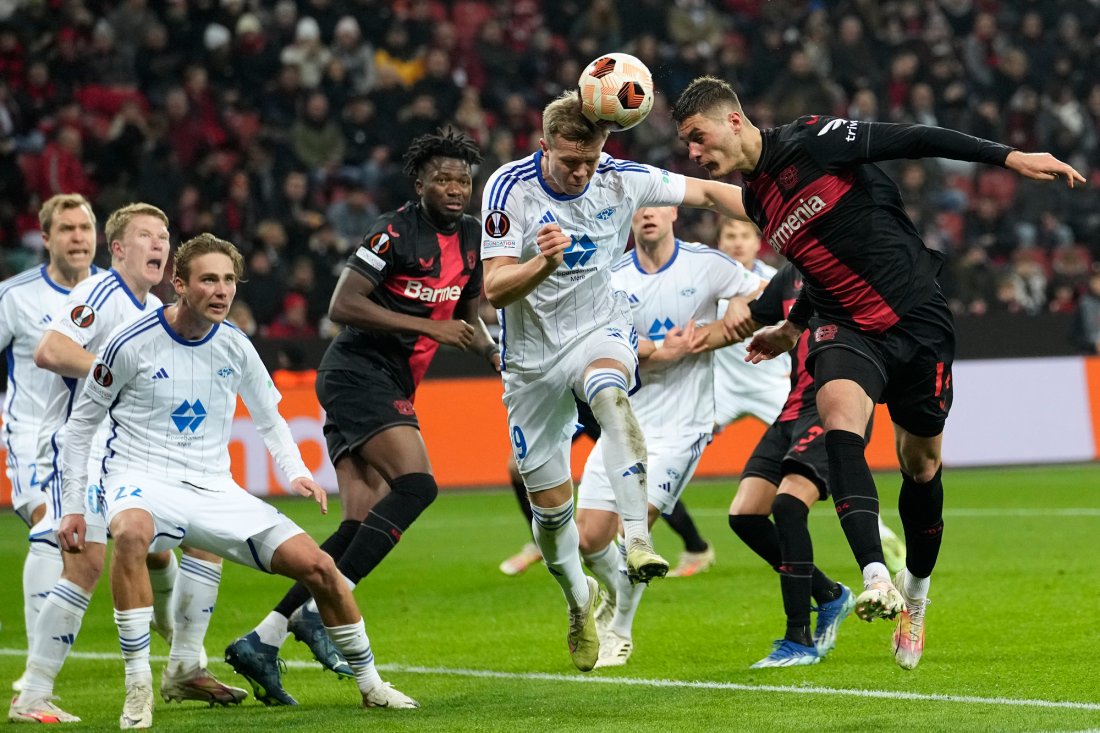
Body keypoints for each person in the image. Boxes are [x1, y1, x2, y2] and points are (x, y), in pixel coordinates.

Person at [672, 76, 1084, 669]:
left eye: (697, 137)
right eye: (687, 144)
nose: (693, 151)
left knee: (922, 466)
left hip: (917, 319)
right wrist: (794, 328)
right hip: (847, 329)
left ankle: (914, 593)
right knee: (839, 416)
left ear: (733, 121)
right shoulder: (760, 200)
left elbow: (913, 137)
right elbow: (818, 269)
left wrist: (1009, 155)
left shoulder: (814, 140)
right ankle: (874, 576)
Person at [56, 233, 418, 729]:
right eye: (209, 279)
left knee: (319, 567)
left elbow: (270, 416)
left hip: (214, 488)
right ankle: (138, 686)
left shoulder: (236, 346)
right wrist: (75, 505)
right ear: (179, 284)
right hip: (140, 477)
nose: (222, 290)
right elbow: (80, 427)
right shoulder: (129, 343)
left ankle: (372, 686)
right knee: (134, 534)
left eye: (229, 279)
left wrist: (296, 472)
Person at [480, 91, 755, 671]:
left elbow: (707, 191)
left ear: (605, 145)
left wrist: (781, 205)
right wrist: (541, 264)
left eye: (590, 159)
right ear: (544, 146)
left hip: (597, 331)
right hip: (530, 362)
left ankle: (638, 538)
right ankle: (580, 599)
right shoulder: (508, 189)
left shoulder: (621, 178)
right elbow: (495, 288)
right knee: (555, 518)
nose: (580, 172)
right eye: (568, 161)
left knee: (610, 393)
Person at [226, 129, 497, 704]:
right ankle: (331, 606)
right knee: (418, 485)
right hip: (355, 372)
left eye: (464, 181)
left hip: (393, 382)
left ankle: (264, 638)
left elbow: (470, 319)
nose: (455, 189)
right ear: (419, 182)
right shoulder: (393, 230)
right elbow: (341, 305)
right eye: (444, 179)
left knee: (358, 523)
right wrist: (431, 327)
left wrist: (501, 353)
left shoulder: (473, 237)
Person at [9, 204, 243, 725]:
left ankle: (185, 663)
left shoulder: (147, 307)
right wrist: (114, 370)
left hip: (126, 452)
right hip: (81, 447)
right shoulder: (101, 293)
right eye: (145, 236)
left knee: (195, 536)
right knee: (86, 563)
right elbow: (50, 349)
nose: (159, 244)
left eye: (164, 236)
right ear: (117, 249)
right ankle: (33, 695)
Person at [575, 205, 763, 668]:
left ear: (673, 211)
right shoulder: (611, 275)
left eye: (655, 205)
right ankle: (610, 594)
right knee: (588, 540)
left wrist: (740, 303)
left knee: (631, 535)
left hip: (683, 427)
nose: (648, 215)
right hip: (624, 422)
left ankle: (619, 631)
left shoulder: (707, 263)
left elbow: (765, 294)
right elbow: (593, 339)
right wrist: (657, 350)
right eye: (638, 209)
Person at [713, 217, 907, 576]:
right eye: (729, 235)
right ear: (720, 242)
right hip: (726, 386)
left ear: (758, 243)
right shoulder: (711, 281)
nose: (736, 242)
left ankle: (876, 535)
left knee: (812, 472)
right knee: (686, 444)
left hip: (779, 384)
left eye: (743, 235)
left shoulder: (777, 277)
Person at [728, 262, 861, 668]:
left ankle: (798, 639)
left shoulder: (855, 268)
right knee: (745, 516)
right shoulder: (789, 277)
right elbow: (747, 319)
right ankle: (828, 594)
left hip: (833, 405)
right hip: (791, 409)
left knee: (787, 506)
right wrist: (733, 305)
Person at [0, 194, 97, 699]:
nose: (78, 237)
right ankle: (36, 687)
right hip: (34, 443)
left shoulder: (114, 294)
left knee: (156, 552)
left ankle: (182, 659)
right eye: (67, 229)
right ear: (46, 238)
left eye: (85, 227)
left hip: (101, 447)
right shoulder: (14, 297)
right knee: (51, 529)